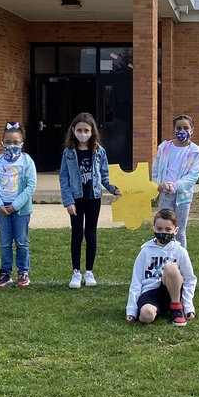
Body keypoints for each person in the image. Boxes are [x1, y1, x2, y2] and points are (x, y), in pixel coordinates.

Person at [60, 112, 121, 288]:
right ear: (73, 130)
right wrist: (68, 201)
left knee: (91, 234)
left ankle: (89, 271)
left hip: (94, 197)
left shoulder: (99, 151)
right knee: (77, 234)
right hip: (76, 199)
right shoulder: (69, 152)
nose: (83, 133)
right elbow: (64, 178)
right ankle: (76, 272)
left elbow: (104, 175)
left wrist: (112, 188)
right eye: (79, 130)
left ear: (92, 130)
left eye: (86, 130)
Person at [125, 208, 197, 326]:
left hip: (172, 293)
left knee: (170, 267)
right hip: (150, 293)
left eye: (168, 229)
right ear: (154, 229)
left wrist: (188, 307)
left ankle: (176, 308)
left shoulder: (180, 251)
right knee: (146, 315)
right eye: (159, 229)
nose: (163, 232)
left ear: (175, 230)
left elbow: (190, 280)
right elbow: (136, 281)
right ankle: (157, 310)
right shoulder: (145, 251)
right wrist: (131, 310)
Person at [0, 120, 36, 287]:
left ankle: (23, 271)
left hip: (20, 209)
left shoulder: (27, 161)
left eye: (15, 142)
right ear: (2, 142)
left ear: (21, 143)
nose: (11, 145)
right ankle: (5, 272)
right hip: (2, 210)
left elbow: (30, 186)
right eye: (8, 142)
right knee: (5, 242)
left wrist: (15, 205)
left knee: (22, 241)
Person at [151, 114, 199, 248]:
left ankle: (180, 261)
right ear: (174, 129)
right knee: (163, 229)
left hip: (183, 196)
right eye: (178, 127)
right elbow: (156, 168)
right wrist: (157, 185)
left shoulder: (196, 152)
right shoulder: (164, 147)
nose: (182, 131)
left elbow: (193, 176)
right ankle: (162, 258)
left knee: (179, 232)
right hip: (164, 194)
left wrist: (175, 186)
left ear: (192, 130)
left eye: (186, 128)